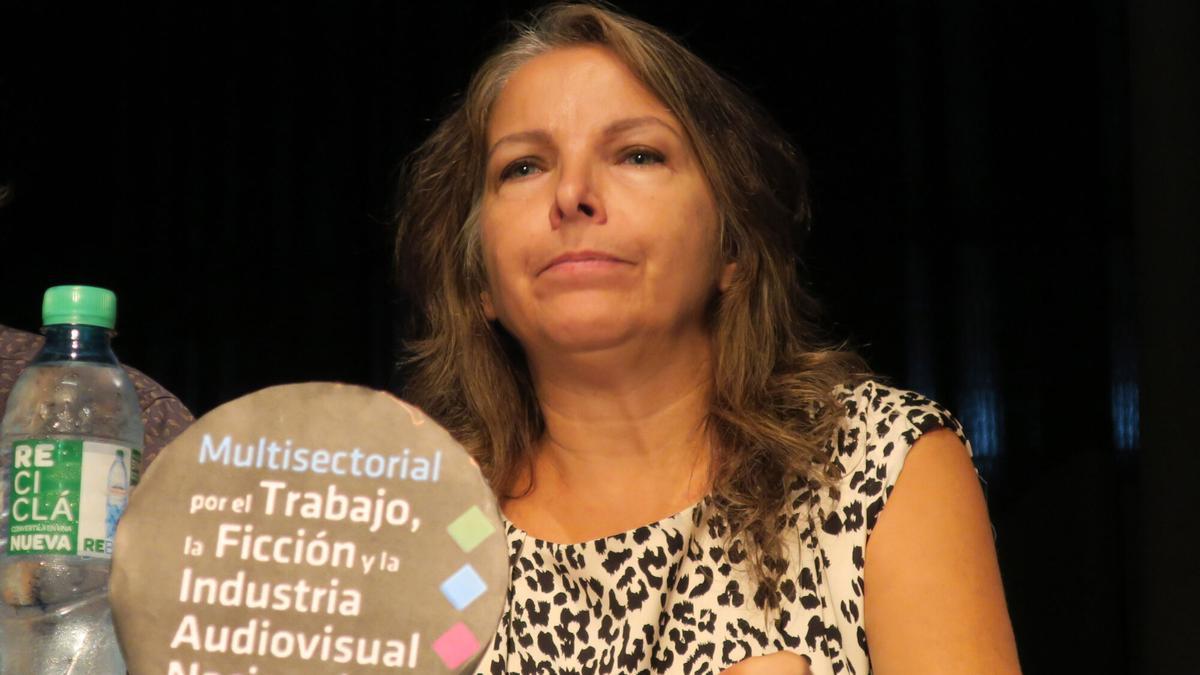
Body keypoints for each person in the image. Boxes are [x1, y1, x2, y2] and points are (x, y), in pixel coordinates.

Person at [393, 4, 1021, 674]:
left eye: (638, 154)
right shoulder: (421, 535)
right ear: (479, 278)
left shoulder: (875, 464)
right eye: (523, 167)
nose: (571, 193)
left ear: (733, 246)